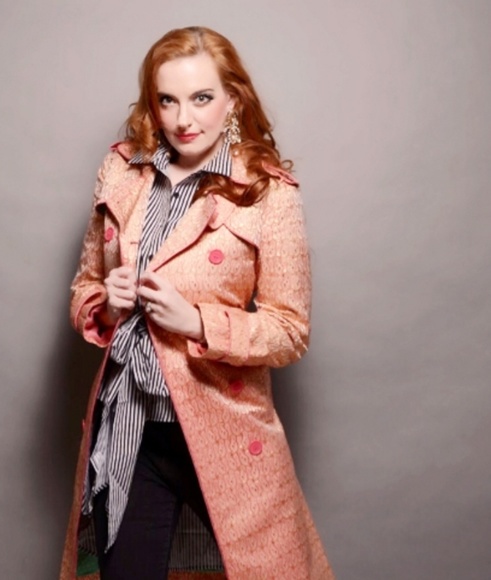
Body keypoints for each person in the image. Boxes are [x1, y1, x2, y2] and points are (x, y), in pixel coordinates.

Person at [60, 26, 334, 580]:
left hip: (222, 428)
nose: (184, 119)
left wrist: (197, 322)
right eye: (168, 100)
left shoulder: (268, 192)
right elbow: (85, 286)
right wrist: (107, 304)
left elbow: (289, 330)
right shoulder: (122, 171)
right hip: (130, 427)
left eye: (202, 98)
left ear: (233, 99)